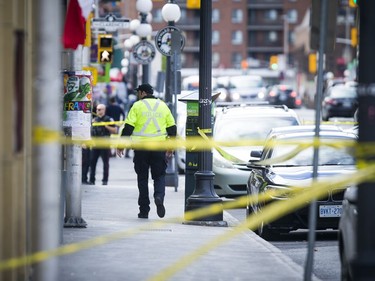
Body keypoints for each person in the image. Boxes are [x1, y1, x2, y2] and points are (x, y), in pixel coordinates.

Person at [116, 83, 176, 219]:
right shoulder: (163, 106)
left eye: (139, 92)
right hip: (158, 147)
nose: (138, 94)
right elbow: (172, 127)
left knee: (142, 178)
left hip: (141, 148)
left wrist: (121, 145)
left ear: (143, 93)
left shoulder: (137, 106)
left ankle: (144, 210)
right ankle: (159, 196)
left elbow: (128, 127)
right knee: (159, 176)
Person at [89, 104, 117, 185]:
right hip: (95, 144)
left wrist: (105, 126)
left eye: (100, 109)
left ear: (104, 110)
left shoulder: (108, 119)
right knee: (92, 162)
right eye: (97, 109)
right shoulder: (94, 120)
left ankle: (105, 180)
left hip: (105, 144)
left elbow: (115, 130)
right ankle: (92, 180)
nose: (98, 111)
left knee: (105, 163)